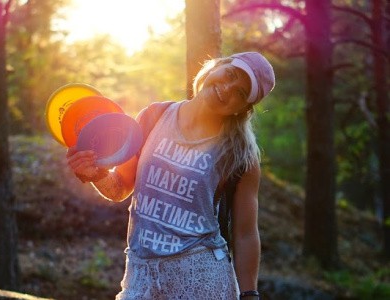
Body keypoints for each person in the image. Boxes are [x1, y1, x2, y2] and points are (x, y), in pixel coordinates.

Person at [66, 52, 275, 300]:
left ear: (244, 109)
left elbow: (246, 233)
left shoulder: (240, 154)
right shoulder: (153, 117)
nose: (227, 88)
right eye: (230, 75)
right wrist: (97, 174)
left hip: (201, 281)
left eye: (240, 93)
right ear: (217, 67)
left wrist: (249, 294)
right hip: (140, 276)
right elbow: (118, 189)